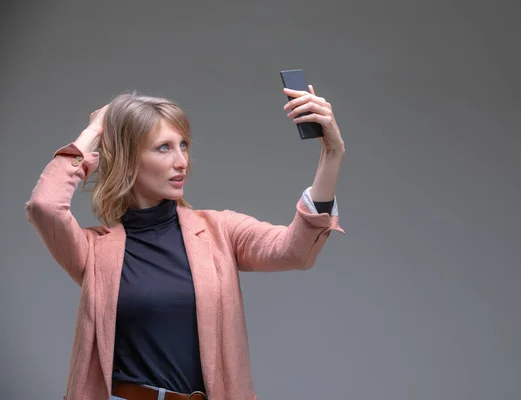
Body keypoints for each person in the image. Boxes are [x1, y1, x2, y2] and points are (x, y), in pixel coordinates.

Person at [25, 85, 345, 400]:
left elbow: (296, 251)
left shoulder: (219, 230)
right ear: (128, 159)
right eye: (163, 147)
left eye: (184, 146)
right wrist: (94, 130)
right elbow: (45, 206)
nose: (182, 161)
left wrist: (331, 154)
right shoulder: (93, 250)